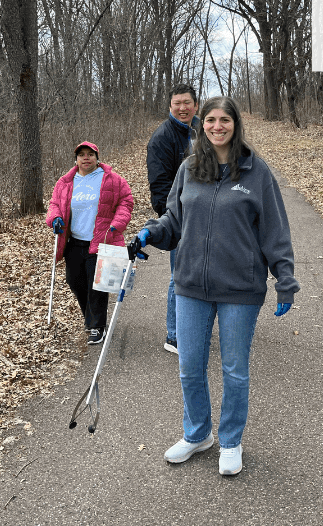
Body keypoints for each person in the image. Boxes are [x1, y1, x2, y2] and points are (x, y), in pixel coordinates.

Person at [130, 96, 297, 477]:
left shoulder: (256, 173)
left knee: (234, 369)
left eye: (225, 120)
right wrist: (149, 233)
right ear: (201, 124)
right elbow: (173, 220)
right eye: (210, 120)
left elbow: (275, 230)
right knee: (190, 367)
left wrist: (284, 279)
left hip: (240, 287)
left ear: (236, 124)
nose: (217, 126)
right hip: (190, 284)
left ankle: (231, 441)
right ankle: (198, 434)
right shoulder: (189, 169)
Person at [47, 141, 134, 344]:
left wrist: (117, 223)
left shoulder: (111, 179)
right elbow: (54, 204)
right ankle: (90, 317)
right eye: (81, 155)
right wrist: (54, 218)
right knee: (75, 281)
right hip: (74, 241)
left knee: (97, 286)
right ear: (76, 159)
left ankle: (97, 326)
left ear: (97, 157)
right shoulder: (66, 182)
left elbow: (126, 200)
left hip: (101, 240)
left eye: (90, 154)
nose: (86, 158)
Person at [146, 83, 200, 356]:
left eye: (187, 103)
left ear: (195, 105)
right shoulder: (162, 139)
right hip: (180, 219)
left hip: (207, 216)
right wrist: (172, 222)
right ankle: (175, 335)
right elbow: (159, 190)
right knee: (179, 275)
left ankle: (197, 323)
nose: (182, 108)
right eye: (177, 103)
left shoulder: (204, 129)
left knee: (203, 269)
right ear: (170, 106)